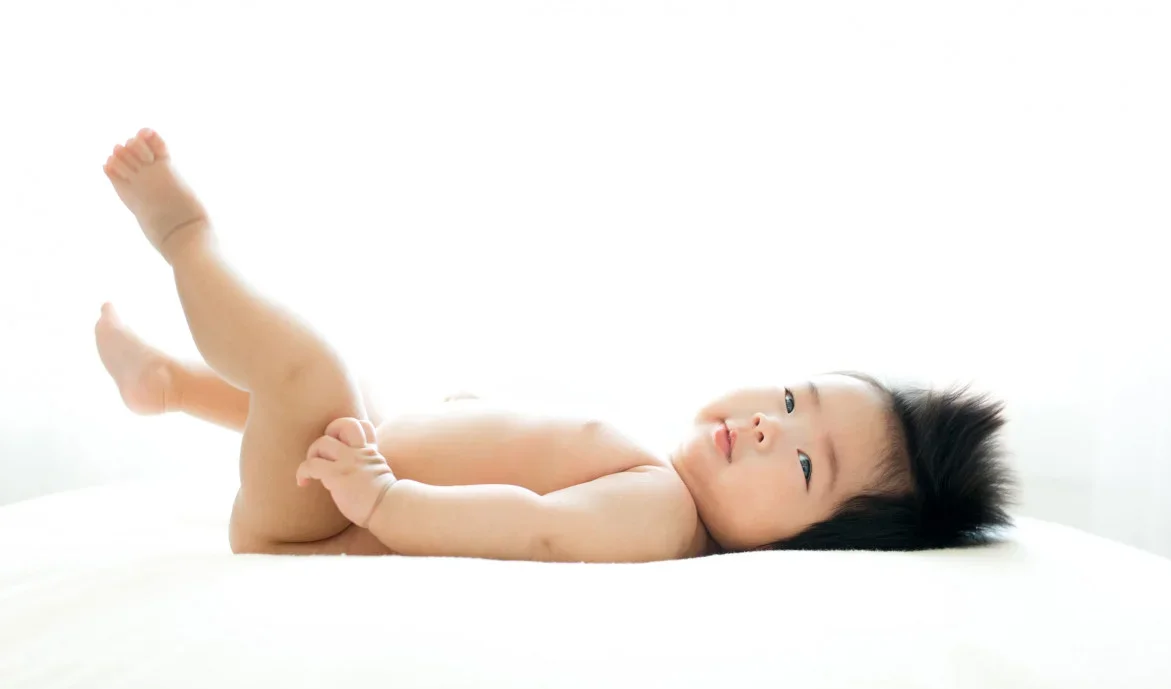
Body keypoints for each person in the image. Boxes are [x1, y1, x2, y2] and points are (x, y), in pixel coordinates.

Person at [96, 128, 1014, 562]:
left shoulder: (663, 519)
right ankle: (175, 389)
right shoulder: (661, 473)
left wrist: (386, 497)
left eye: (807, 465)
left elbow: (534, 528)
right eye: (787, 400)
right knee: (351, 403)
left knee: (312, 378)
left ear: (804, 548)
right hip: (347, 481)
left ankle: (184, 237)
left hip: (322, 522)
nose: (770, 427)